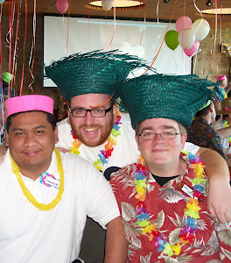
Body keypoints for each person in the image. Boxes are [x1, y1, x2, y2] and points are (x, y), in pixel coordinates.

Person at [44, 50, 231, 263]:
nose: (88, 121)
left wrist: (219, 182)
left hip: (132, 229)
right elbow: (15, 151)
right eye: (79, 111)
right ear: (69, 114)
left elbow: (203, 153)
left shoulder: (141, 130)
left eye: (98, 110)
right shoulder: (56, 137)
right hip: (79, 232)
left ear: (114, 111)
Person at [0, 95, 128, 263]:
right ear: (6, 137)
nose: (30, 142)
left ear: (55, 134)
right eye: (20, 133)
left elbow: (115, 222)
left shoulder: (80, 171)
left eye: (39, 132)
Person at [110, 74, 231, 262]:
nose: (158, 141)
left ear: (183, 140)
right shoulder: (119, 183)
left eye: (168, 132)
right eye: (148, 133)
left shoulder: (211, 181)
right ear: (137, 141)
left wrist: (220, 181)